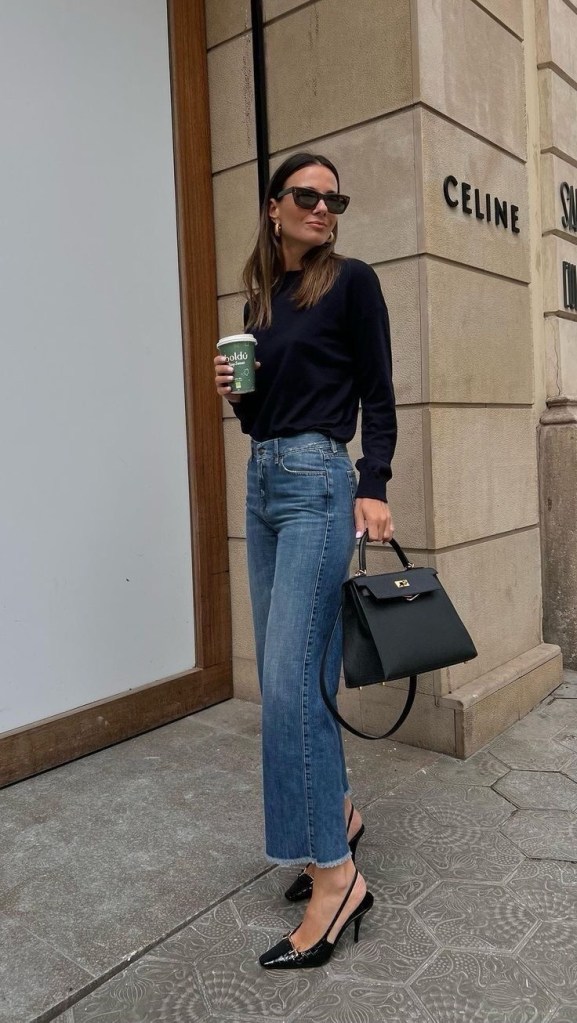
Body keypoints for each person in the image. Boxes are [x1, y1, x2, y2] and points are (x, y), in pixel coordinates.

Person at [213, 152, 396, 969]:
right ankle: (339, 815)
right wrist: (238, 396)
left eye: (332, 198)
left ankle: (336, 878)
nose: (322, 207)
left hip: (319, 482)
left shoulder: (351, 282)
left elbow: (378, 392)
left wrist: (374, 482)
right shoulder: (258, 300)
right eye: (306, 195)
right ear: (273, 206)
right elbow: (260, 419)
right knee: (296, 675)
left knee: (288, 686)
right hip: (263, 481)